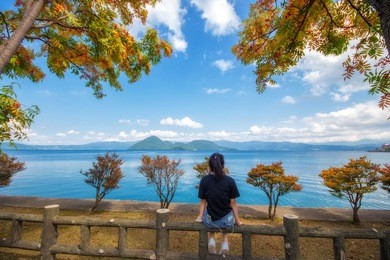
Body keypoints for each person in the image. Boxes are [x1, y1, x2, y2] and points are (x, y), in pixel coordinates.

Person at [195, 152, 243, 255]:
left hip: (209, 222)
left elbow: (203, 202)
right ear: (223, 166)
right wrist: (238, 221)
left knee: (210, 215)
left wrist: (199, 217)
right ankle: (225, 242)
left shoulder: (204, 180)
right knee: (227, 219)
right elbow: (233, 203)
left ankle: (212, 238)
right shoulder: (230, 181)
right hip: (227, 221)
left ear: (210, 166)